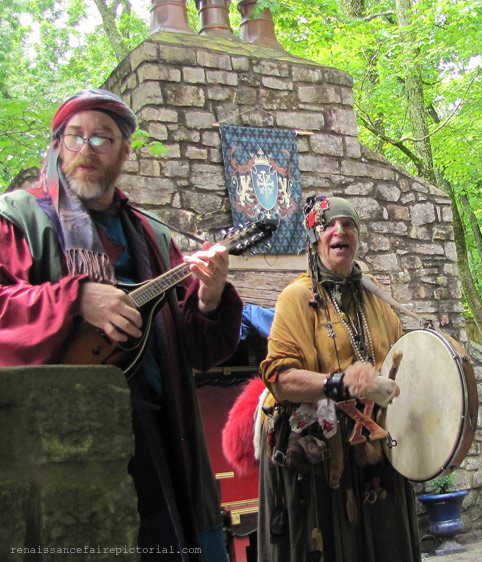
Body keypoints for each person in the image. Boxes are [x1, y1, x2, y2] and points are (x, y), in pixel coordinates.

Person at [0, 89, 243, 560]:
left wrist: (211, 297)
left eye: (103, 139)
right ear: (57, 145)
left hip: (165, 441)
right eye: (76, 137)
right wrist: (75, 298)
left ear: (125, 153)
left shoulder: (153, 235)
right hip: (66, 445)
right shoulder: (18, 218)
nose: (87, 149)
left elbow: (198, 349)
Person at [257, 195, 421, 562]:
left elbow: (401, 363)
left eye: (348, 225)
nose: (339, 231)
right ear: (315, 238)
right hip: (319, 462)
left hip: (377, 452)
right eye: (329, 225)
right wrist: (339, 384)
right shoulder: (297, 297)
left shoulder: (376, 297)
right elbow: (280, 379)